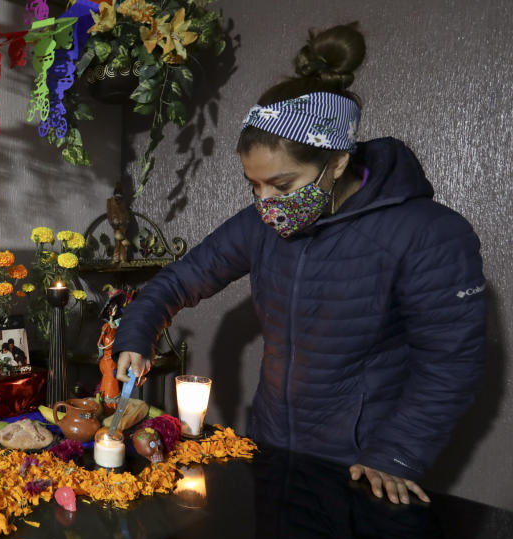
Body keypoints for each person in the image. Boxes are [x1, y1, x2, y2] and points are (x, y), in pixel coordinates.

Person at [114, 23, 486, 505]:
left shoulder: (430, 233)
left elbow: (450, 363)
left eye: (282, 186)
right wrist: (136, 336)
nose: (266, 203)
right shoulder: (260, 224)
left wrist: (395, 455)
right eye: (255, 186)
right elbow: (178, 281)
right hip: (273, 445)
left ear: (335, 163)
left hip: (361, 464)